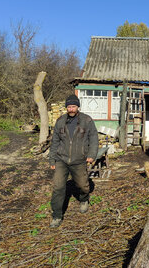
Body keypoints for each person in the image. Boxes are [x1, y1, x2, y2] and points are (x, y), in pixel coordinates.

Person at [48, 94, 99, 228]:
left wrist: (92, 154)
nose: (71, 109)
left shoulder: (87, 120)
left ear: (78, 107)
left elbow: (94, 139)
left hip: (79, 159)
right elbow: (55, 142)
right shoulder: (60, 121)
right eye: (69, 106)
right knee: (58, 187)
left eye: (73, 106)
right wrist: (52, 159)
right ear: (66, 108)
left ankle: (84, 199)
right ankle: (57, 216)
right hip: (61, 159)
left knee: (82, 185)